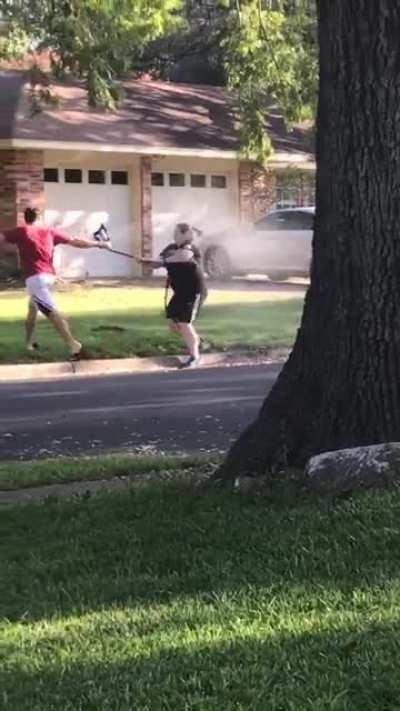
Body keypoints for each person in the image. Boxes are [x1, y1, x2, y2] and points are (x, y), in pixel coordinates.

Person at [0, 207, 111, 358]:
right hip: (48, 277)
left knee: (52, 313)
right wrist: (100, 244)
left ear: (26, 218)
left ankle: (73, 345)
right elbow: (76, 242)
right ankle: (29, 344)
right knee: (33, 308)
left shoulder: (21, 231)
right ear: (39, 218)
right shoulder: (50, 231)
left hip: (35, 279)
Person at [138, 223, 207, 368]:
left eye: (178, 232)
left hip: (194, 291)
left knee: (184, 323)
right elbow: (157, 262)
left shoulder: (190, 249)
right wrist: (146, 262)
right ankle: (196, 340)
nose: (174, 235)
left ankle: (194, 357)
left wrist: (161, 262)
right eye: (175, 232)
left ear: (185, 234)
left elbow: (183, 257)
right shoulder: (170, 249)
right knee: (174, 324)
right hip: (180, 292)